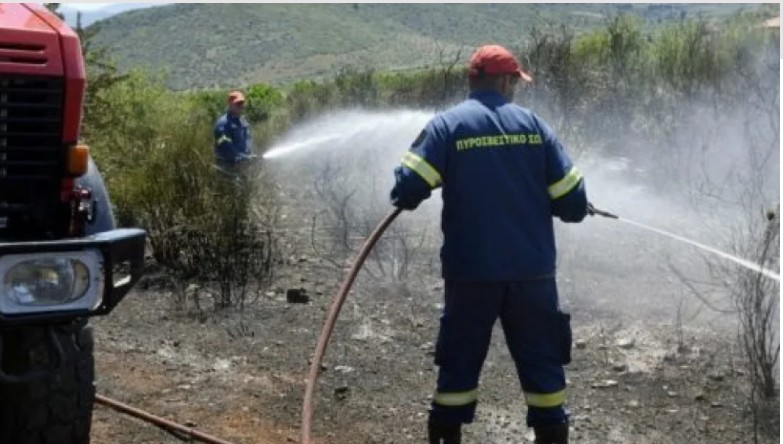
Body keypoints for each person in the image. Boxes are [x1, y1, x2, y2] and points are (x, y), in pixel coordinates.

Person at [389, 44, 589, 444]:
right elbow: (573, 203)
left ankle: (447, 435)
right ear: (505, 81)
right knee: (543, 369)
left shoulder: (447, 127)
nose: (516, 89)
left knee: (458, 367)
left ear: (473, 80)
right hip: (532, 275)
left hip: (471, 274)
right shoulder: (534, 126)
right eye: (515, 82)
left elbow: (406, 189)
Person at [214, 90, 255, 172]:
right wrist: (243, 157)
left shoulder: (243, 122)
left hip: (243, 167)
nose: (240, 106)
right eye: (237, 103)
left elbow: (247, 139)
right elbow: (226, 146)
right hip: (227, 169)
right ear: (230, 104)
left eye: (241, 103)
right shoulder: (223, 124)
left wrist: (251, 155)